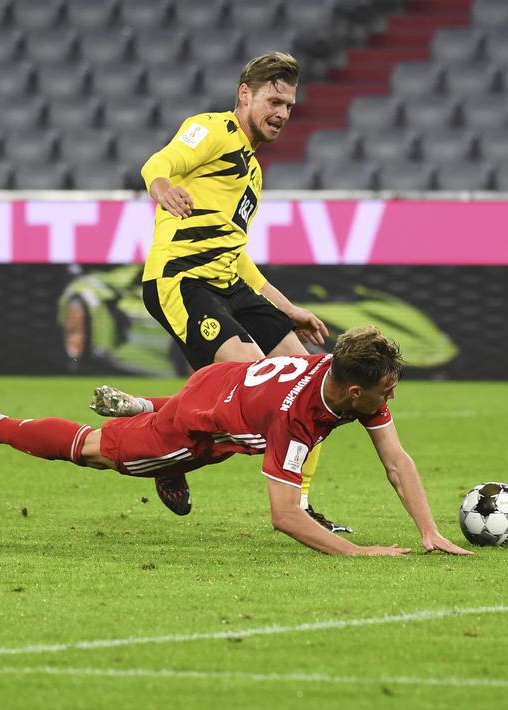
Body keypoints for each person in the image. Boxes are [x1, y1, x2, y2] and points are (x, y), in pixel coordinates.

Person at [0, 326, 471, 558]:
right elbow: (285, 516)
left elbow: (396, 460)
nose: (391, 396)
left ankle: (148, 406)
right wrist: (359, 552)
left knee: (214, 424)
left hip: (223, 386)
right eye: (387, 389)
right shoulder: (297, 418)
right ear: (354, 391)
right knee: (92, 450)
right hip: (199, 425)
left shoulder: (346, 381)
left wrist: (429, 532)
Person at [111, 51, 343, 532]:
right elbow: (161, 161)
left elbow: (237, 256)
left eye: (289, 106)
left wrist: (288, 309)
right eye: (274, 101)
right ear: (245, 94)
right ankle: (164, 446)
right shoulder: (213, 129)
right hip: (182, 279)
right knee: (252, 389)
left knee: (308, 381)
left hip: (228, 283)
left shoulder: (253, 175)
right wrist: (161, 187)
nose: (282, 113)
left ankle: (301, 504)